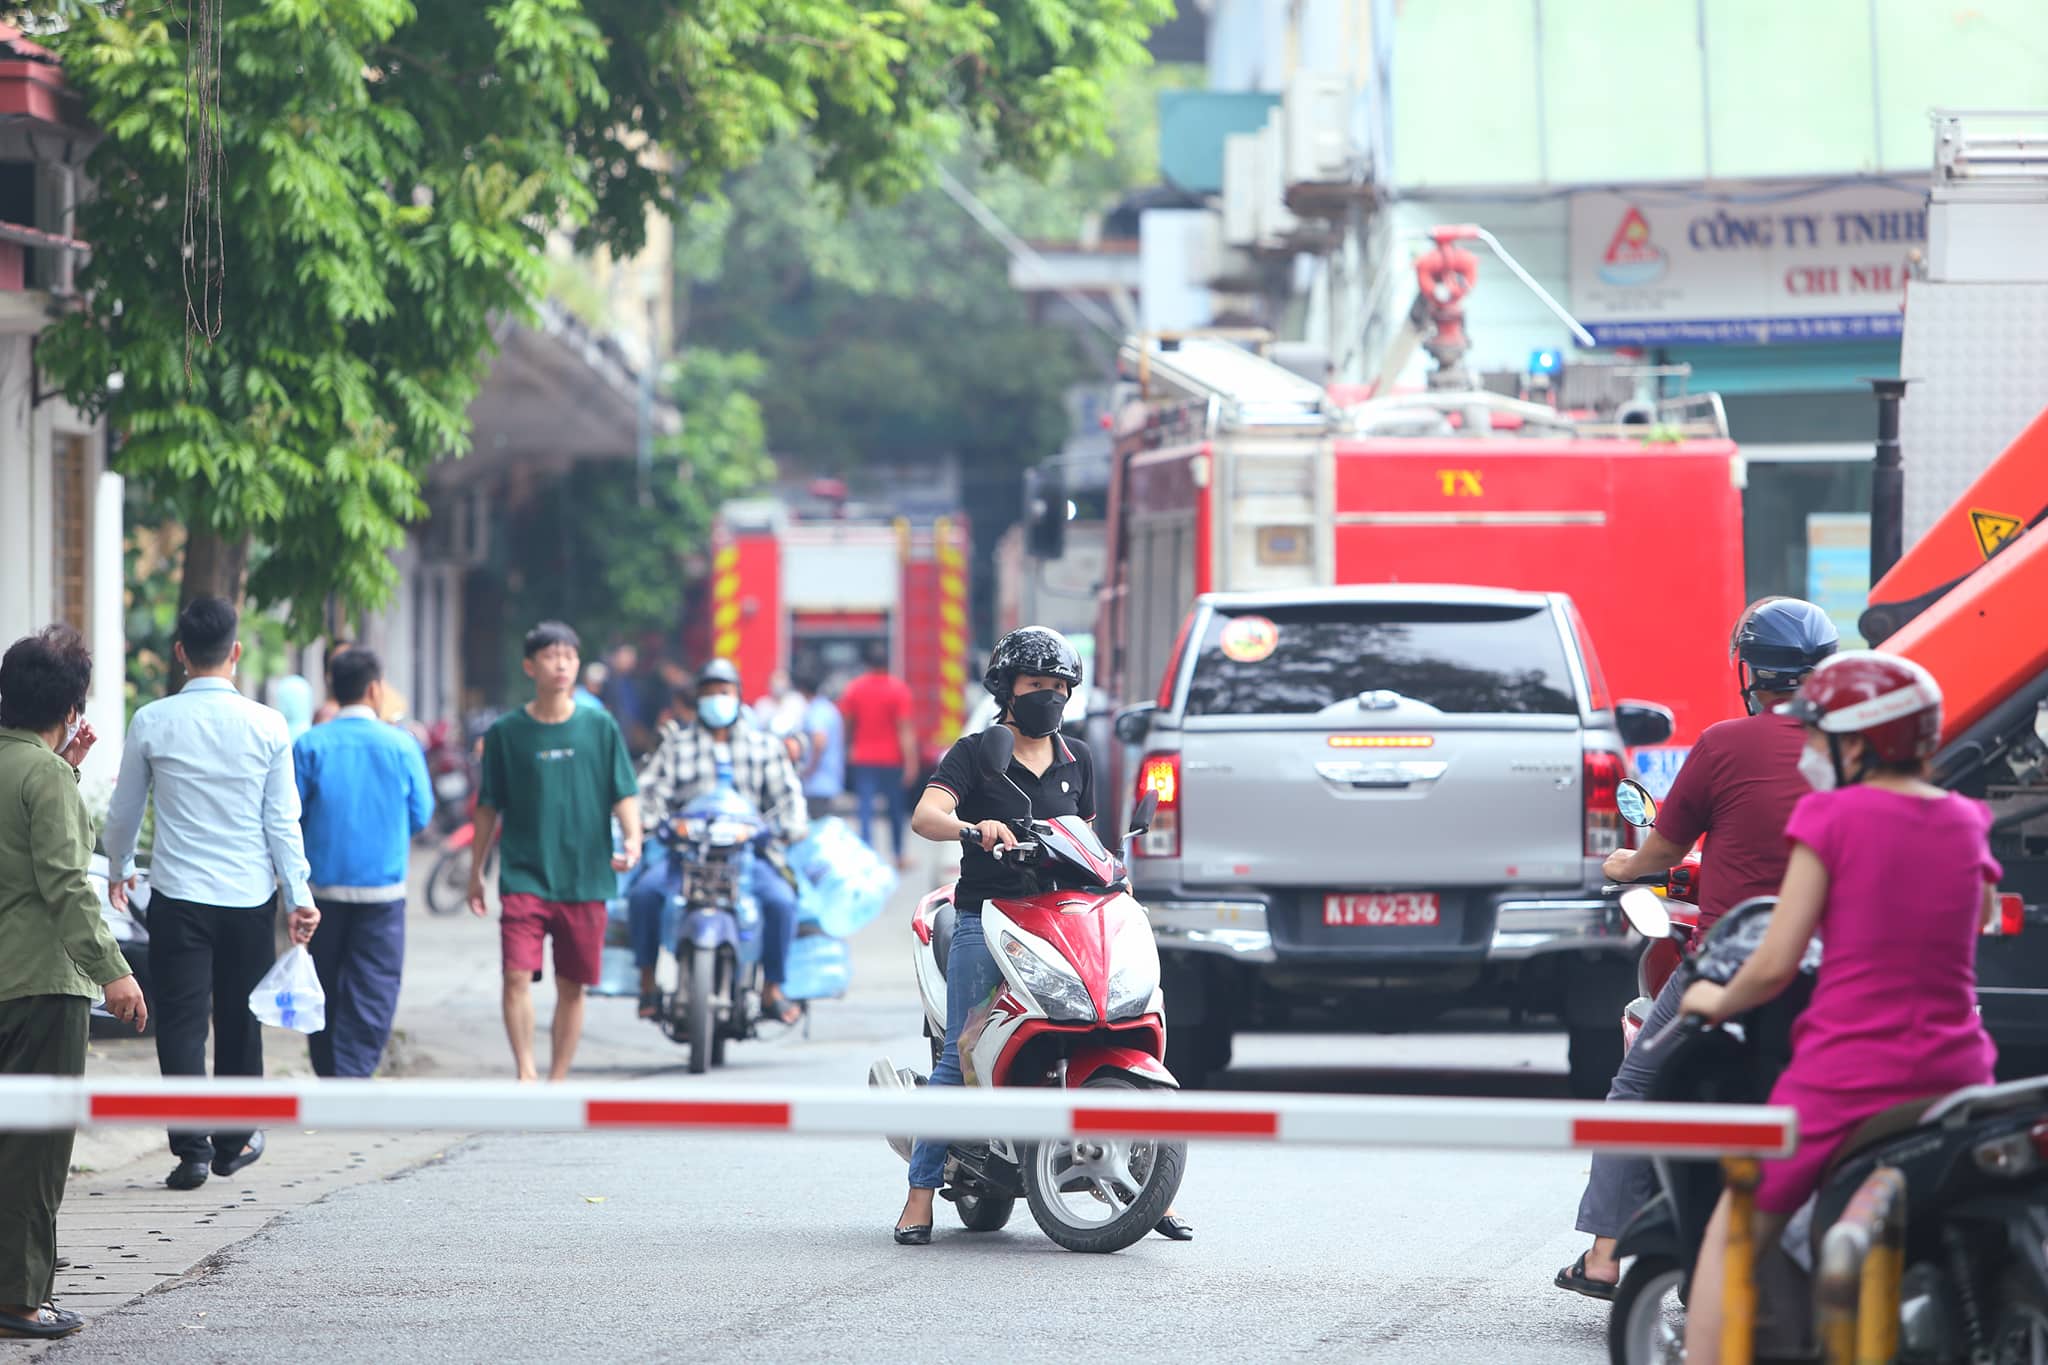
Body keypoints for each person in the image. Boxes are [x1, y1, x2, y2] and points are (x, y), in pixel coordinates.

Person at [1681, 652, 1999, 1356]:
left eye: (1819, 739)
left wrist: (1714, 997)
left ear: (1859, 745)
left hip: (1845, 1079)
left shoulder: (1831, 816)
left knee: (1734, 1230)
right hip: (1957, 1075)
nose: (1810, 754)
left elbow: (1774, 963)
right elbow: (1979, 914)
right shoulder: (1964, 820)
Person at [1556, 596, 1837, 1299]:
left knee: (1637, 1086)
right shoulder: (1850, 750)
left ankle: (1604, 1256)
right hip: (1831, 966)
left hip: (1730, 961)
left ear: (1753, 672)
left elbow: (1661, 852)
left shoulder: (1723, 744)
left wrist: (1624, 864)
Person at [891, 626, 1191, 1246]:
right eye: (1036, 685)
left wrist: (1115, 870)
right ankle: (918, 1197)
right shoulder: (976, 752)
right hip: (988, 915)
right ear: (1007, 688)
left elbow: (1085, 835)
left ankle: (1148, 1186)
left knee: (1117, 1017)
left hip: (1062, 915)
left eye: (1059, 686)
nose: (1049, 696)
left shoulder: (1077, 757)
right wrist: (974, 829)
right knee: (959, 1055)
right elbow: (926, 815)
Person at [103, 598, 320, 1191]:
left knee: (180, 1021)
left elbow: (124, 811)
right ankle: (234, 1139)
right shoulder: (268, 725)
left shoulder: (152, 720)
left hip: (178, 897)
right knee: (240, 1018)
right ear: (236, 652)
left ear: (180, 652)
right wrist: (298, 893)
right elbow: (282, 821)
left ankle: (191, 1151)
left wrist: (120, 866)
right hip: (249, 899)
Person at [0, 627, 147, 1342]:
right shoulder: (46, 776)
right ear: (70, 706)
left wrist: (64, 768)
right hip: (40, 983)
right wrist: (113, 970)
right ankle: (20, 1300)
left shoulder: (31, 768)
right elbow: (65, 884)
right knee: (35, 1149)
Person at [469, 622, 641, 1082]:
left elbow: (623, 792)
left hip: (585, 877)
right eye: (550, 655)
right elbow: (488, 806)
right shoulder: (506, 733)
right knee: (515, 976)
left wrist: (633, 838)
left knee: (572, 985)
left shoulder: (600, 727)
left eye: (569, 656)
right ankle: (526, 1073)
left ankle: (558, 1079)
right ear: (530, 666)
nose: (561, 664)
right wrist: (475, 871)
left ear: (578, 664)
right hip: (524, 874)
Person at [632, 659, 808, 1025]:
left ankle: (772, 987)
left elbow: (789, 799)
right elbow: (648, 794)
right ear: (698, 698)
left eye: (724, 692)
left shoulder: (764, 746)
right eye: (709, 692)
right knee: (644, 895)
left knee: (782, 902)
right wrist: (655, 822)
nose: (717, 699)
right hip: (685, 855)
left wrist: (788, 827)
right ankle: (647, 981)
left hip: (749, 856)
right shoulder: (676, 745)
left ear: (738, 696)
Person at [292, 648, 434, 1078]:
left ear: (331, 687)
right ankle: (353, 1075)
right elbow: (421, 814)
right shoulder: (402, 745)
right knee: (374, 987)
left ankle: (329, 1072)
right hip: (382, 892)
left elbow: (291, 815)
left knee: (325, 983)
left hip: (322, 892)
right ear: (375, 689)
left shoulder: (310, 744)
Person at [840, 642, 917, 869]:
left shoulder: (855, 688)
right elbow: (904, 728)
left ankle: (866, 854)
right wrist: (911, 762)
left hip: (863, 757)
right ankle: (898, 854)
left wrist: (846, 748)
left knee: (865, 809)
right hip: (892, 759)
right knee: (895, 809)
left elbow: (847, 723)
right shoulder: (898, 689)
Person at [793, 668, 846, 821]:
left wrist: (810, 768)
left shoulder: (816, 711)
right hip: (829, 779)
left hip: (817, 782)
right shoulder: (828, 708)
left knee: (817, 825)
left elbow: (819, 741)